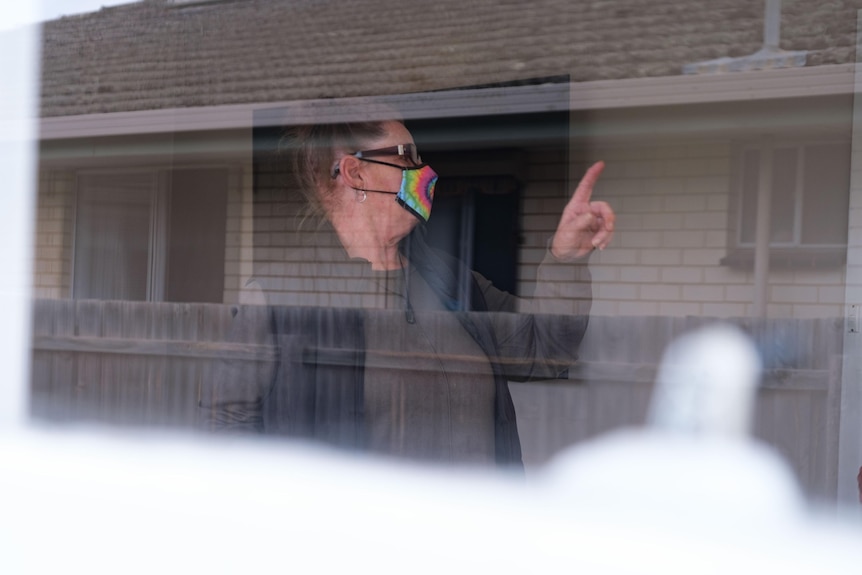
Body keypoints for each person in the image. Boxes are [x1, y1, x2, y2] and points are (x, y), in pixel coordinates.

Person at [202, 112, 615, 471]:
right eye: (408, 156)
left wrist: (567, 258)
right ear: (356, 173)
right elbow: (228, 429)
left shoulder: (454, 282)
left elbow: (543, 350)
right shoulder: (281, 296)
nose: (425, 170)